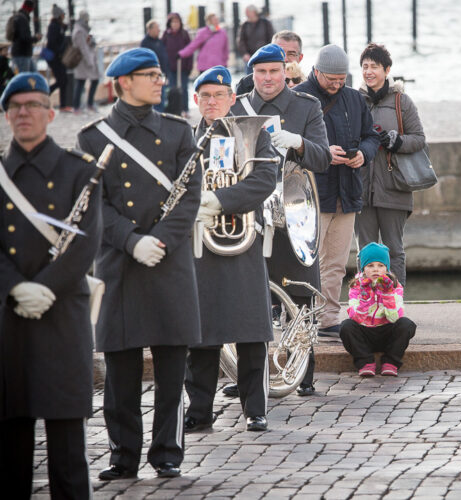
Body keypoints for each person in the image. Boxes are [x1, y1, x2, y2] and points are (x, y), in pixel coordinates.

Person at [76, 47, 201, 480]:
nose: (161, 80)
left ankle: (167, 452)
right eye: (150, 74)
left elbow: (189, 198)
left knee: (171, 368)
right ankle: (122, 456)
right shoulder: (92, 138)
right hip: (120, 263)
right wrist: (132, 241)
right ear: (123, 83)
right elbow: (94, 205)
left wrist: (159, 241)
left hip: (168, 261)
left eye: (160, 74)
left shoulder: (178, 131)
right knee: (120, 371)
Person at [0, 72, 102, 499]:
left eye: (33, 105)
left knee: (66, 451)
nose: (24, 113)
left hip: (61, 314)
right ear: (6, 115)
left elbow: (87, 242)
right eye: (15, 107)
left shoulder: (80, 171)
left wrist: (45, 287)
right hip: (9, 317)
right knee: (10, 442)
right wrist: (14, 287)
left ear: (50, 113)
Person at [230, 43, 332, 397]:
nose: (268, 78)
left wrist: (300, 143)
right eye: (261, 72)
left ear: (285, 72)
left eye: (274, 71)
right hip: (250, 213)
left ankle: (303, 369)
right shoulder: (238, 107)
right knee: (247, 295)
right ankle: (247, 375)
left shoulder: (307, 106)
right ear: (252, 74)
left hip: (292, 213)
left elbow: (322, 158)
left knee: (299, 291)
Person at [185, 66, 279, 433]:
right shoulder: (185, 140)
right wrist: (198, 201)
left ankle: (255, 408)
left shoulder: (254, 137)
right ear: (196, 100)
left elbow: (263, 180)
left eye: (219, 95)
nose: (212, 101)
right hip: (200, 246)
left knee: (251, 331)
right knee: (202, 334)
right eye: (205, 96)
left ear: (232, 99)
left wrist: (220, 200)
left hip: (242, 243)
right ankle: (199, 410)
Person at [294, 44, 380, 337]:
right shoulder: (299, 98)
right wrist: (322, 153)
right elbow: (290, 145)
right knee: (306, 262)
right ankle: (302, 318)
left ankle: (328, 318)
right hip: (312, 194)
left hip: (348, 191)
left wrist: (363, 155)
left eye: (341, 78)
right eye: (331, 78)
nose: (336, 83)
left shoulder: (355, 98)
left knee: (337, 263)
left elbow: (371, 136)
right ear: (316, 71)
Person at [357, 43, 426, 286]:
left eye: (374, 66)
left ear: (387, 70)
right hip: (362, 188)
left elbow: (419, 139)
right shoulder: (355, 100)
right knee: (364, 251)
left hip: (394, 186)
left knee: (394, 250)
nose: (368, 72)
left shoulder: (401, 101)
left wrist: (396, 142)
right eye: (365, 66)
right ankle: (365, 304)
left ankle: (395, 304)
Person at [340, 242, 416, 377]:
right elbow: (356, 318)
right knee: (346, 326)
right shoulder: (356, 286)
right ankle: (365, 362)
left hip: (386, 332)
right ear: (363, 269)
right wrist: (365, 299)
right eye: (370, 266)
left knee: (407, 324)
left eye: (380, 266)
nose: (376, 269)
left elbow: (394, 318)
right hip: (365, 334)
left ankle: (391, 363)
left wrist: (387, 294)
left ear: (386, 268)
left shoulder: (395, 286)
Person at [235, 29, 304, 97]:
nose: (285, 59)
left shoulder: (308, 86)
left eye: (291, 54)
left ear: (300, 58)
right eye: (279, 53)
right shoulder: (246, 86)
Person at [163, 12, 193, 117]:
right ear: (169, 23)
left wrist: (189, 66)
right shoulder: (166, 35)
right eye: (173, 22)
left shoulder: (184, 34)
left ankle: (185, 109)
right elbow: (163, 51)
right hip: (170, 67)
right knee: (172, 89)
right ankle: (174, 110)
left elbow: (190, 50)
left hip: (183, 67)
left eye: (177, 22)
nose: (175, 24)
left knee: (184, 88)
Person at [71, 10, 100, 113]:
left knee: (84, 81)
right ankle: (78, 106)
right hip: (83, 61)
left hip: (86, 60)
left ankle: (87, 104)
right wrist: (90, 61)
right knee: (81, 82)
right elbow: (83, 48)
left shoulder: (82, 29)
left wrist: (92, 42)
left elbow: (86, 44)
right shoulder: (79, 31)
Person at [45, 4, 71, 111]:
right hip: (55, 58)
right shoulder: (54, 26)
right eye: (63, 14)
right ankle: (46, 93)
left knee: (63, 80)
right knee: (62, 80)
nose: (64, 16)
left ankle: (63, 105)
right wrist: (59, 52)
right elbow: (52, 43)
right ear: (59, 15)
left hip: (59, 58)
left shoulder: (58, 26)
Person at [140, 19, 169, 112]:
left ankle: (161, 117)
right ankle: (156, 116)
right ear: (150, 30)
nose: (159, 30)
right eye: (157, 28)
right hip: (153, 76)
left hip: (162, 73)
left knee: (162, 97)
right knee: (155, 98)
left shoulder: (159, 41)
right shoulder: (145, 43)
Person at [9, 0, 41, 73]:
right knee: (25, 78)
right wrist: (36, 38)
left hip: (23, 54)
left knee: (35, 76)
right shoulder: (22, 19)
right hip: (22, 54)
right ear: (30, 8)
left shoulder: (19, 16)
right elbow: (24, 37)